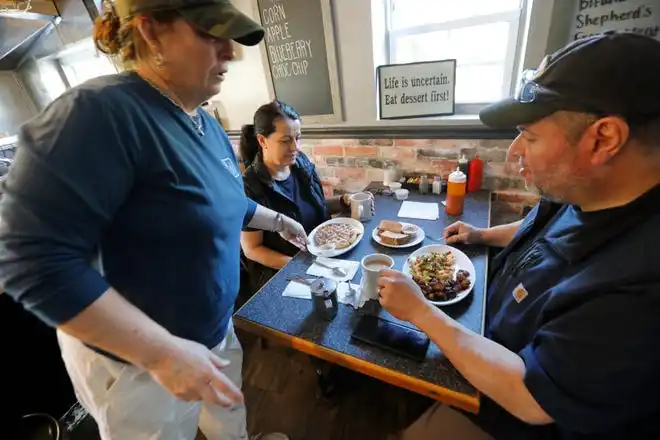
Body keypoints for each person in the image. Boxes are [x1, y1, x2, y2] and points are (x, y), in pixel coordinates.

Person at [0, 1, 308, 439]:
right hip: (140, 366)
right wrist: (162, 354)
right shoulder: (97, 114)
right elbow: (29, 261)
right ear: (151, 33)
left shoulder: (205, 123)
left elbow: (225, 204)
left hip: (213, 331)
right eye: (210, 35)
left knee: (227, 417)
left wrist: (278, 221)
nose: (231, 53)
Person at [378, 31, 660, 440]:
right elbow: (536, 230)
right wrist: (482, 233)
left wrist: (422, 312)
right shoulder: (588, 190)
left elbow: (530, 396)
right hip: (484, 337)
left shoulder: (640, 286)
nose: (514, 153)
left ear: (604, 139)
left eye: (529, 136)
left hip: (511, 411)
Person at [240, 100, 373, 292]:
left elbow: (315, 207)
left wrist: (344, 201)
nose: (295, 146)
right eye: (285, 140)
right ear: (262, 140)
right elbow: (252, 249)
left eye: (298, 137)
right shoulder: (250, 186)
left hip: (325, 256)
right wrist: (301, 266)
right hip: (285, 273)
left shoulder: (301, 163)